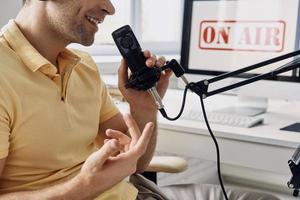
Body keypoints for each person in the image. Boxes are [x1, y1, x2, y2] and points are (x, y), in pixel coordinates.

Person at [0, 0, 280, 199]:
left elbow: (138, 162)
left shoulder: (83, 65)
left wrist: (142, 106)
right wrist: (84, 186)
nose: (110, 8)